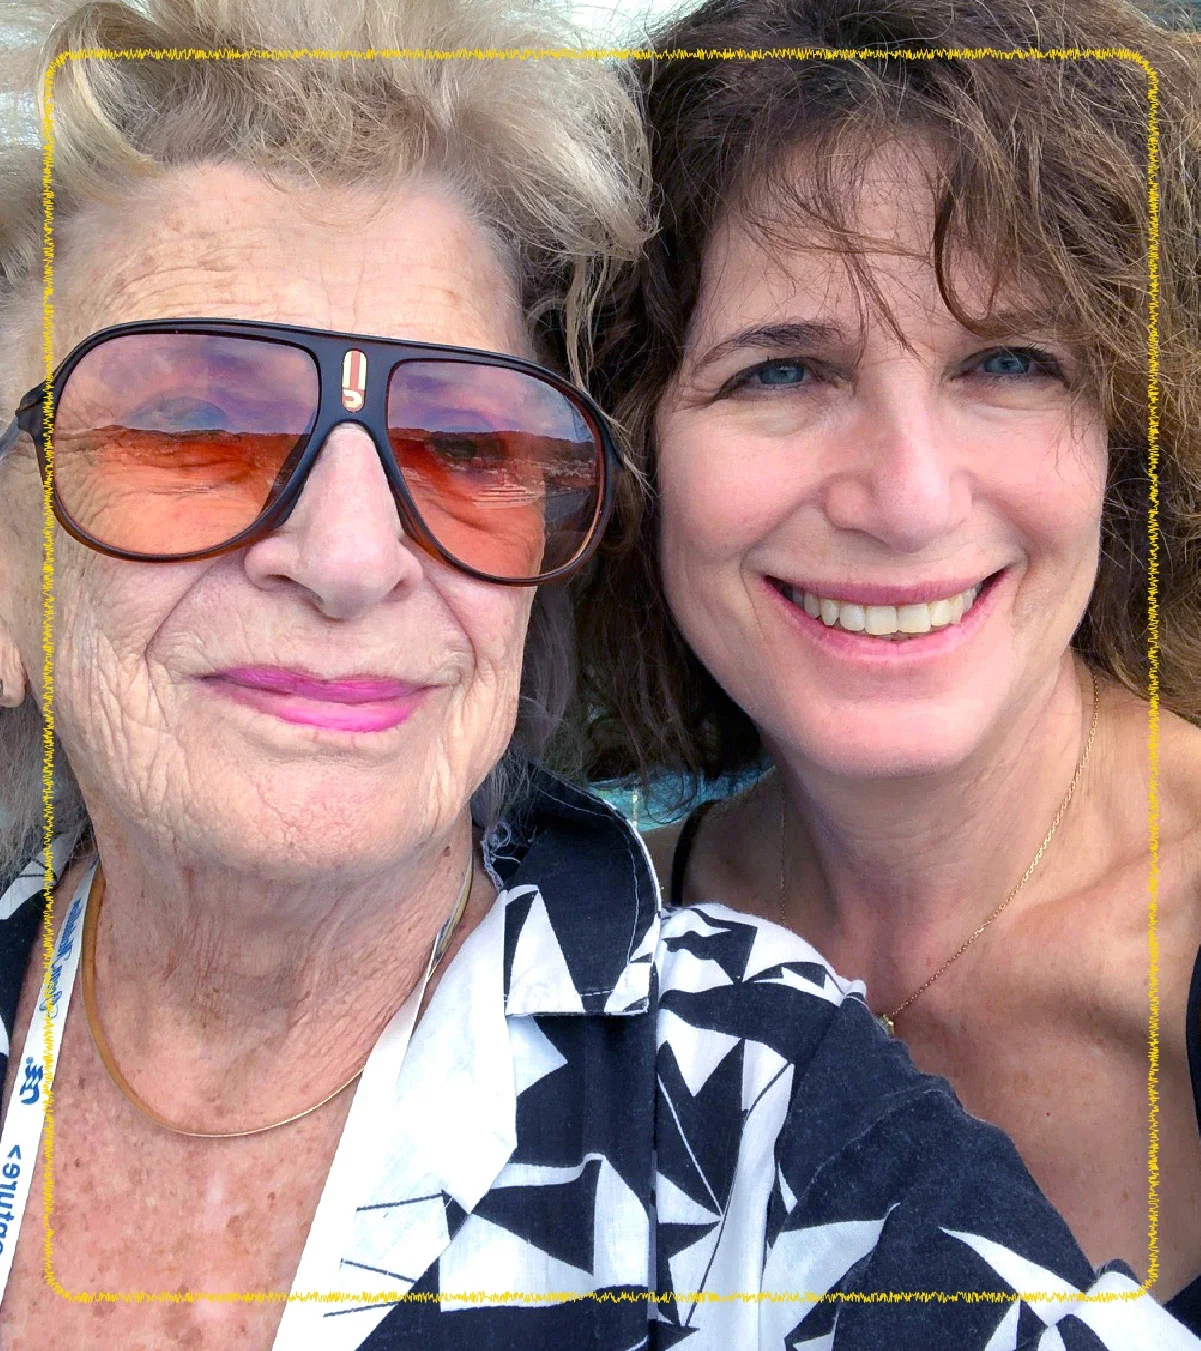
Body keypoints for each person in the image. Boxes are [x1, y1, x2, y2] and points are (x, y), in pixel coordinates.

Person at [0, 1, 1197, 1348]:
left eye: (461, 441)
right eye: (197, 424)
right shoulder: (667, 868)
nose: (348, 555)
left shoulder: (739, 1094)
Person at [576, 0, 1201, 1333]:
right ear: (633, 459)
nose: (909, 500)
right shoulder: (568, 958)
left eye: (1011, 361)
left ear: (1123, 427)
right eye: (783, 369)